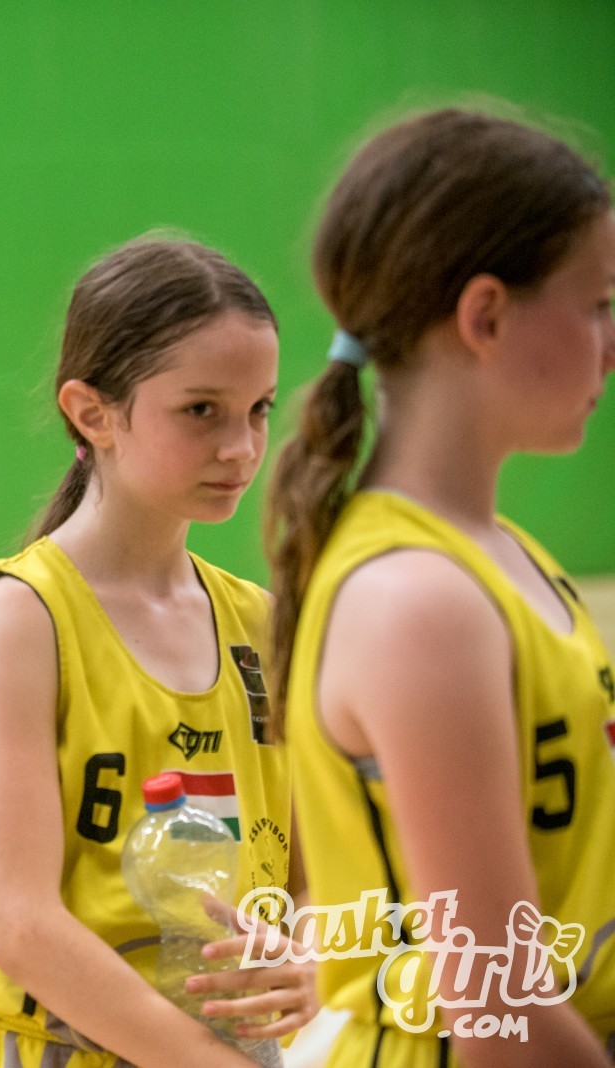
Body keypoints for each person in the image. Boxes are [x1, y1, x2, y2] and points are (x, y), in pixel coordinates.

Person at [266, 107, 615, 1066]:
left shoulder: (505, 557)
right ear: (486, 315)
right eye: (597, 304)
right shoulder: (418, 602)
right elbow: (497, 1008)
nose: (610, 345)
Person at [0, 238, 317, 1067]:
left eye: (259, 409)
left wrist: (312, 962)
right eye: (202, 410)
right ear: (91, 412)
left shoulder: (260, 623)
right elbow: (23, 928)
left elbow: (310, 878)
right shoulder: (20, 618)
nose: (241, 447)